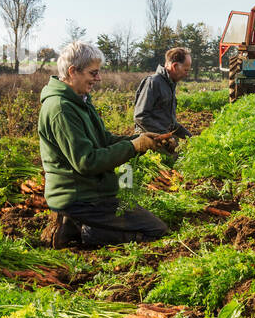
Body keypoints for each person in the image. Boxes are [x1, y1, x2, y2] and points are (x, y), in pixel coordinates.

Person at [39, 41, 171, 248]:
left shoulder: (80, 100)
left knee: (147, 222)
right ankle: (86, 232)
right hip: (79, 197)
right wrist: (134, 147)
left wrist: (143, 139)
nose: (98, 78)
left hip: (92, 191)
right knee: (156, 231)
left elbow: (105, 140)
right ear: (73, 71)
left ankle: (73, 225)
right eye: (93, 73)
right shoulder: (60, 109)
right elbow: (87, 162)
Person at [132, 46, 194, 156]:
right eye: (185, 70)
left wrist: (191, 138)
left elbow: (171, 123)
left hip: (164, 139)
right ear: (175, 66)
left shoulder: (170, 84)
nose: (187, 74)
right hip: (150, 141)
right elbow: (140, 117)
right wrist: (167, 135)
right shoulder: (153, 82)